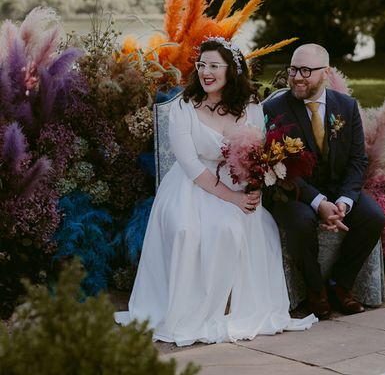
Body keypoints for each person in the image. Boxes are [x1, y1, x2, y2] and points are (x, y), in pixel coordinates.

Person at [115, 37, 316, 346]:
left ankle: (231, 305)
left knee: (245, 226)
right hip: (190, 186)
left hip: (237, 182)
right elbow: (190, 164)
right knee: (195, 229)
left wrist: (253, 189)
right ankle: (198, 307)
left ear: (231, 71)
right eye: (201, 65)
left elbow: (256, 153)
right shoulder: (184, 106)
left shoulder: (249, 106)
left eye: (214, 66)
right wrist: (232, 197)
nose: (206, 72)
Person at [263, 43, 385, 319]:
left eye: (306, 70)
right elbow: (281, 167)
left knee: (373, 217)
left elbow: (357, 161)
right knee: (300, 221)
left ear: (326, 73)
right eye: (293, 69)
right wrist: (318, 203)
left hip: (337, 188)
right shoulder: (274, 109)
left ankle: (339, 285)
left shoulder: (347, 106)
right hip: (292, 190)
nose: (296, 76)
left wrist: (343, 202)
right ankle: (315, 290)